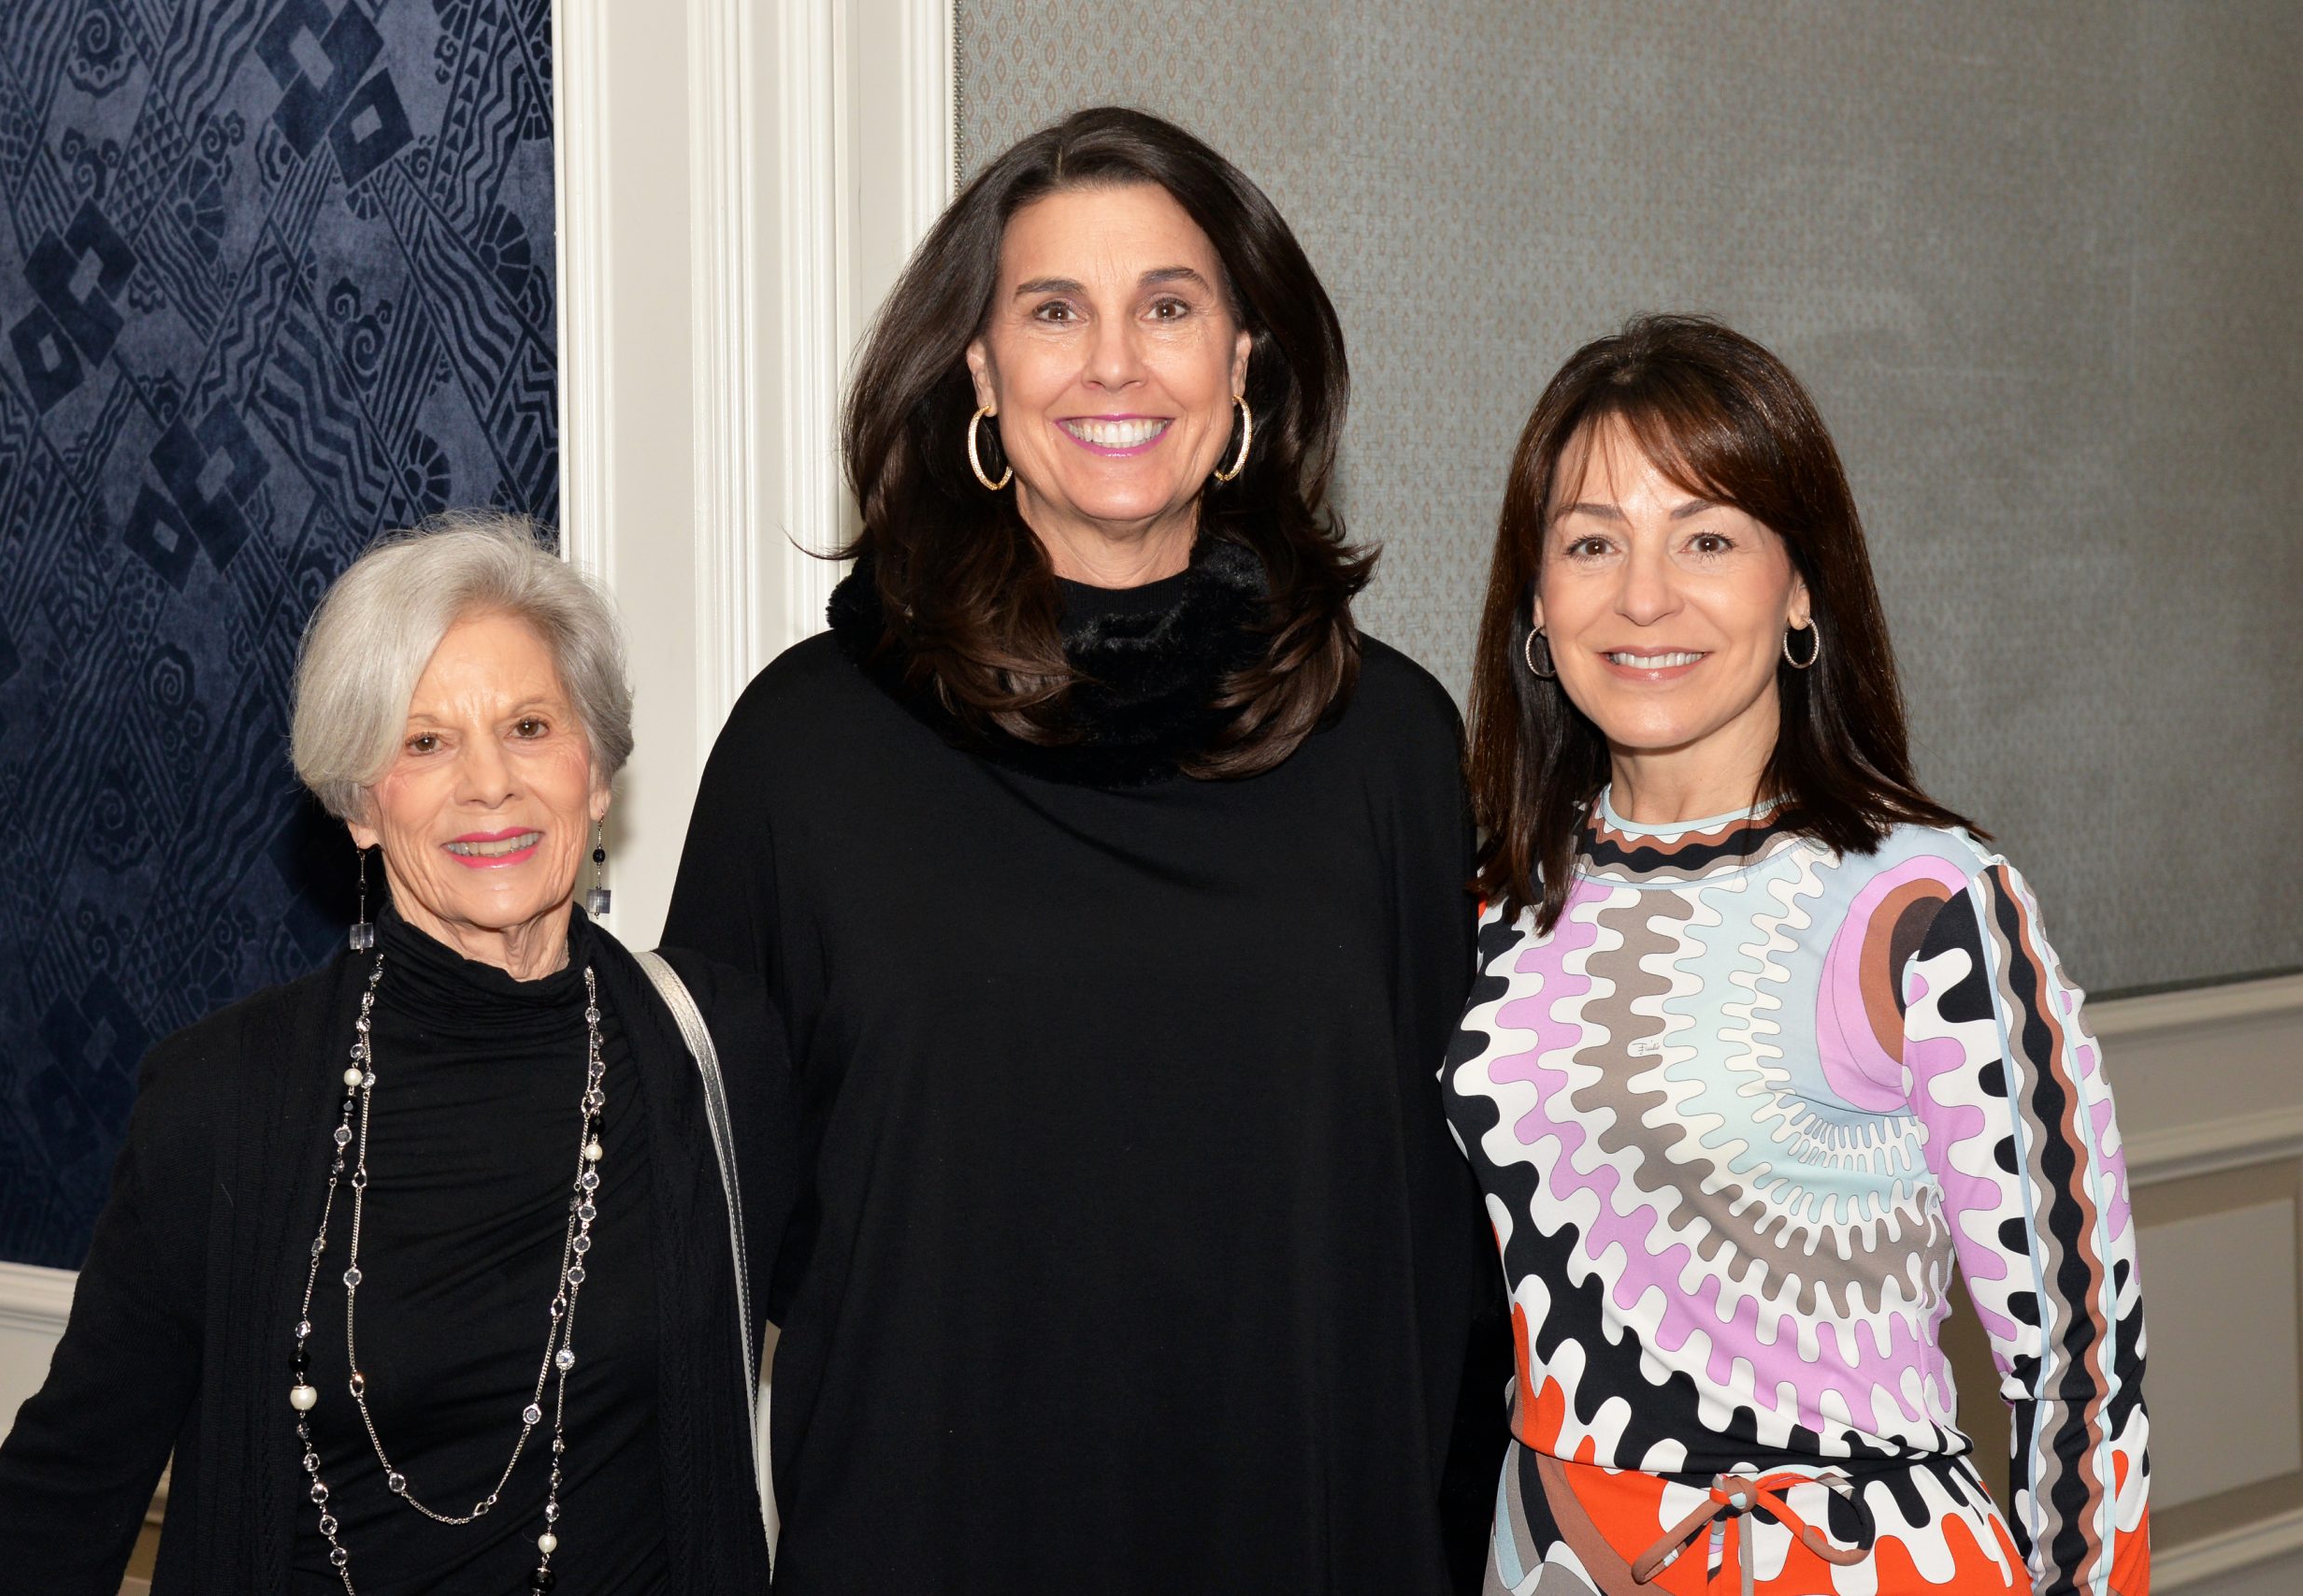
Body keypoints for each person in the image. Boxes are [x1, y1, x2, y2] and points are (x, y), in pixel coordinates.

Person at [665, 107, 1500, 1594]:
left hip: (1308, 1537)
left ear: (1243, 365)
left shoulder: (1390, 746)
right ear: (980, 373)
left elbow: (1450, 1244)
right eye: (1055, 311)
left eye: (1168, 307)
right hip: (927, 1539)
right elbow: (707, 1233)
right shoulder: (808, 747)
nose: (1115, 363)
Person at [0, 513, 793, 1596]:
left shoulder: (716, 1051)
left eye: (530, 726)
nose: (489, 782)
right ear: (358, 803)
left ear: (597, 774)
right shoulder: (221, 1100)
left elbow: (885, 1336)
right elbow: (66, 1487)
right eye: (425, 742)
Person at [1444, 314, 2150, 1596]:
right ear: (1536, 601)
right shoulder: (1486, 901)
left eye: (1706, 538)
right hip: (1547, 1555)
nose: (1643, 595)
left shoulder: (1924, 902)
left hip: (1852, 1561)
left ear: (1801, 587)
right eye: (1592, 542)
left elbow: (2079, 1360)